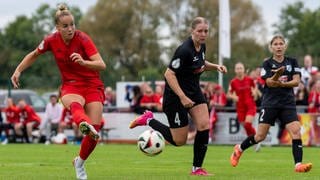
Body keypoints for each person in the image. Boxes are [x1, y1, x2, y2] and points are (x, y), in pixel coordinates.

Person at [10, 4, 106, 179]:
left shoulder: (83, 38)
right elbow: (33, 54)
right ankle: (85, 125)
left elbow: (101, 64)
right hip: (71, 85)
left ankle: (79, 162)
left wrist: (84, 63)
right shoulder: (50, 40)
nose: (70, 29)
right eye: (65, 26)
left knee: (95, 135)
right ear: (57, 28)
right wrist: (18, 70)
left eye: (72, 25)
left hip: (92, 84)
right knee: (75, 105)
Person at [129, 17, 227, 176]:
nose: (203, 34)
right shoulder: (184, 50)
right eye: (200, 31)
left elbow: (200, 63)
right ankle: (148, 119)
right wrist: (182, 97)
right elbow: (169, 74)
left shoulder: (201, 46)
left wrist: (216, 66)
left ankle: (197, 169)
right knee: (179, 141)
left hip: (194, 91)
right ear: (192, 31)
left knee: (204, 125)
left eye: (206, 31)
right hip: (175, 97)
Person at [230, 35, 312, 173]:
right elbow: (269, 82)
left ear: (285, 46)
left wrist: (281, 81)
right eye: (276, 44)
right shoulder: (267, 64)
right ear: (271, 47)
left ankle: (298, 165)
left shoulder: (292, 61)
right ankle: (239, 149)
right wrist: (276, 75)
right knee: (260, 136)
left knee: (296, 131)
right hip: (270, 103)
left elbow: (297, 81)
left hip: (288, 103)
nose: (279, 46)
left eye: (281, 44)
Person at [227, 63, 258, 140]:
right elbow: (228, 94)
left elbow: (255, 88)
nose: (239, 70)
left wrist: (254, 92)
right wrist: (233, 96)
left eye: (241, 68)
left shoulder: (249, 80)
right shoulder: (233, 82)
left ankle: (257, 138)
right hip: (240, 107)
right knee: (246, 127)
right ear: (235, 70)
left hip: (250, 105)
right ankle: (252, 140)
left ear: (244, 69)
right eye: (237, 68)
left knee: (248, 124)